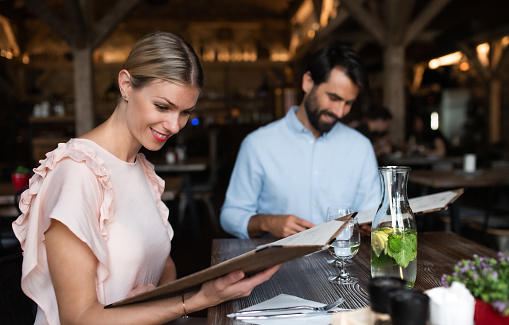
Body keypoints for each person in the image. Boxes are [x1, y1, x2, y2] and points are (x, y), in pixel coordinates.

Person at [12, 32, 279, 325]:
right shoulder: (77, 172)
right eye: (163, 107)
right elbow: (79, 318)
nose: (175, 126)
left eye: (184, 113)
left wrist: (153, 298)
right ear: (126, 85)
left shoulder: (142, 169)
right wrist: (197, 299)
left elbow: (163, 263)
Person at [220, 45, 381, 239]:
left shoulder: (360, 147)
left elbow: (372, 212)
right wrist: (268, 222)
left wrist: (374, 224)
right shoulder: (257, 144)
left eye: (348, 103)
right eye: (333, 98)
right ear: (308, 82)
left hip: (343, 265)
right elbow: (230, 215)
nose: (340, 112)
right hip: (277, 266)